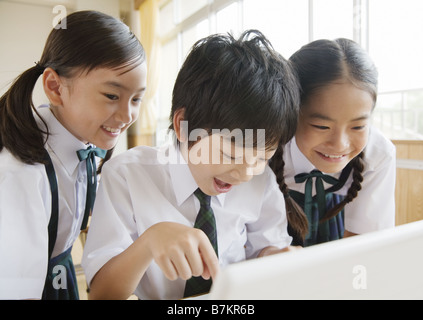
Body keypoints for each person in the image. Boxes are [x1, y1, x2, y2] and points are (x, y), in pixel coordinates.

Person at [81, 30, 300, 300]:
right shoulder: (127, 175)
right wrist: (149, 242)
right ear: (184, 126)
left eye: (262, 157)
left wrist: (277, 257)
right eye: (230, 155)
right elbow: (102, 294)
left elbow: (264, 249)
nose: (244, 174)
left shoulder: (259, 180)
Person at [0, 10, 147, 300]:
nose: (127, 115)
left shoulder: (86, 144)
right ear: (55, 87)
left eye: (137, 98)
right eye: (111, 96)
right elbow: (16, 286)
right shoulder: (22, 172)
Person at [269, 38, 396, 247]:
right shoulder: (263, 147)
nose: (340, 145)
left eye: (358, 127)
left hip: (338, 225)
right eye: (321, 126)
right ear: (292, 113)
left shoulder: (379, 154)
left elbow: (367, 243)